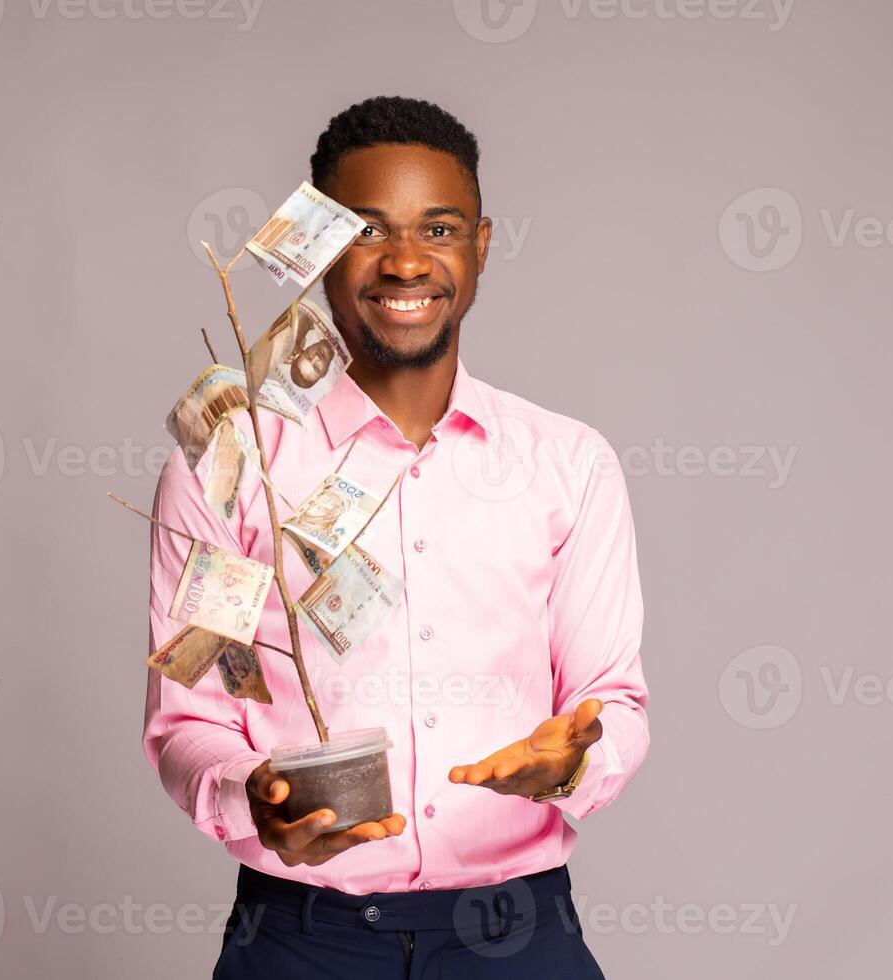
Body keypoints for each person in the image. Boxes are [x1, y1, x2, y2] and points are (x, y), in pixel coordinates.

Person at [144, 95, 649, 978]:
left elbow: (615, 700)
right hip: (299, 939)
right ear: (316, 248)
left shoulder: (570, 464)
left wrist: (568, 763)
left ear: (481, 247)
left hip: (517, 933)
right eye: (368, 231)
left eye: (440, 227)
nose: (407, 260)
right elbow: (190, 712)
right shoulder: (233, 458)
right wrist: (247, 795)